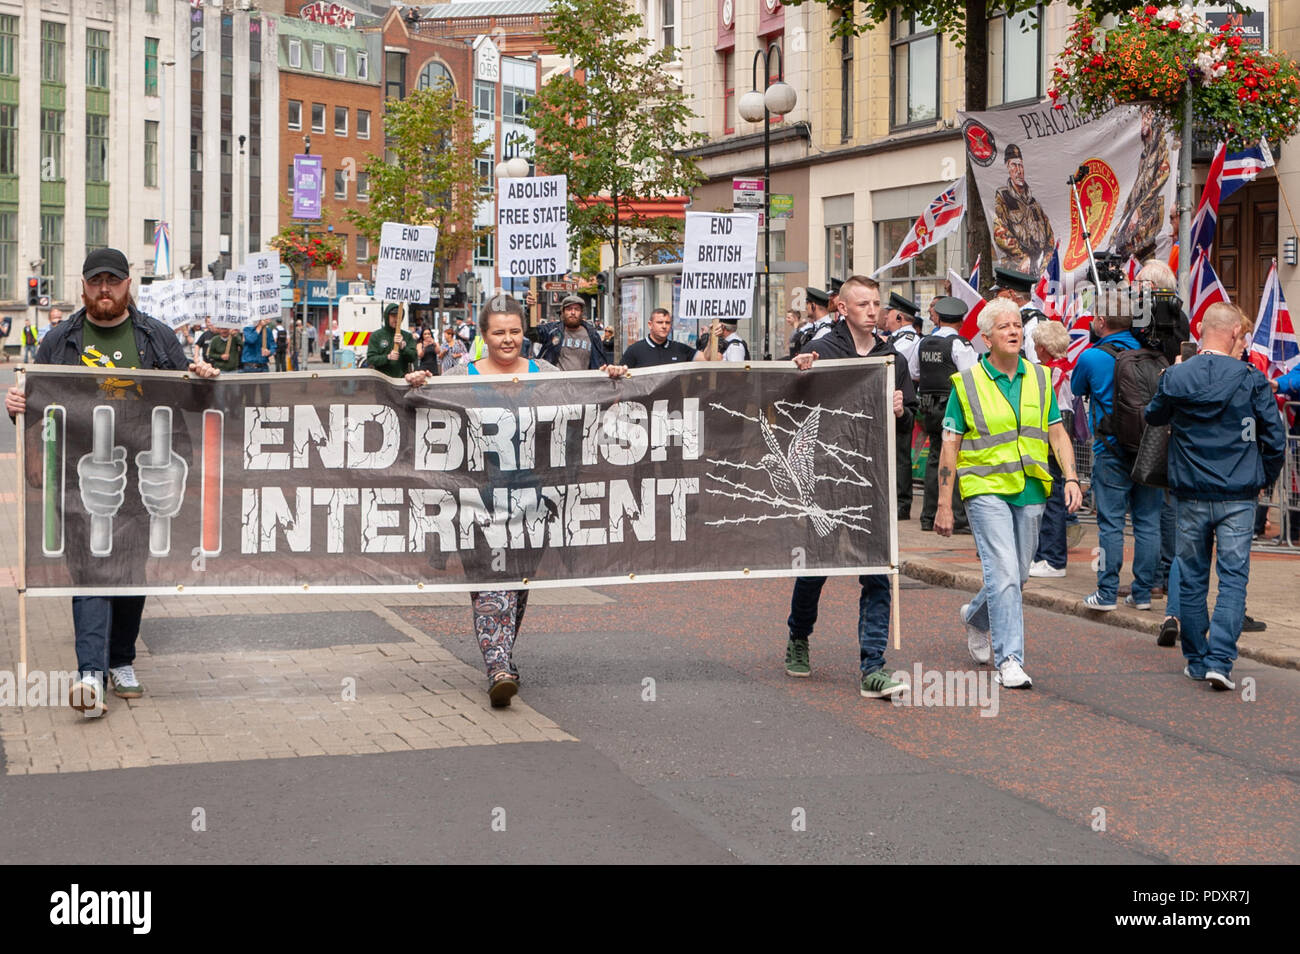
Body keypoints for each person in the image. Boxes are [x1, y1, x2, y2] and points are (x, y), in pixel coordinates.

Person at [4, 248, 220, 715]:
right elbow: (39, 402)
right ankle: (90, 673)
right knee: (91, 570)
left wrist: (204, 382)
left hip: (142, 474)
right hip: (80, 475)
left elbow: (188, 403)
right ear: (83, 286)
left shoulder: (156, 338)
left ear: (128, 286)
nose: (105, 289)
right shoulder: (59, 341)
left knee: (129, 570)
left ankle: (121, 659)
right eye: (96, 280)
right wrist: (17, 410)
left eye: (114, 281)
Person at [404, 296, 627, 707]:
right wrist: (415, 385)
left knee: (518, 586)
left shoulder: (545, 373)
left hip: (532, 501)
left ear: (524, 333)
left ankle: (502, 654)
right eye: (498, 332)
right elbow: (414, 414)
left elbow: (581, 403)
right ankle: (498, 667)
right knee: (492, 584)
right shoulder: (458, 377)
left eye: (514, 331)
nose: (507, 340)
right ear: (483, 335)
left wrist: (609, 379)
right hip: (476, 503)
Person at [934, 297, 1082, 689]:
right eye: (1004, 327)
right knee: (1002, 574)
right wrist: (944, 504)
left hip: (1031, 485)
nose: (1014, 331)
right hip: (984, 488)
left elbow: (1056, 431)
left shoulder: (1038, 377)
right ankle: (1011, 660)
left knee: (1018, 575)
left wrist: (1070, 476)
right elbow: (950, 447)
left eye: (1017, 324)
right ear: (986, 338)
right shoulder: (965, 385)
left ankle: (976, 616)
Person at [784, 274, 916, 699]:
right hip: (828, 479)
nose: (873, 311)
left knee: (877, 573)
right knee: (817, 568)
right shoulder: (822, 351)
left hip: (873, 482)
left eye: (876, 303)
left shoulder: (889, 355)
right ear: (843, 309)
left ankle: (873, 666)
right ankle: (799, 637)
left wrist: (900, 409)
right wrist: (799, 372)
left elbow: (911, 418)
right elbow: (790, 401)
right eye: (863, 304)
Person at [1146, 303, 1284, 690]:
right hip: (1238, 493)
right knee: (1233, 578)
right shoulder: (1250, 379)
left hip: (1190, 491)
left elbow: (1154, 416)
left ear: (1203, 331)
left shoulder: (1176, 376)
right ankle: (1220, 660)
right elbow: (1273, 438)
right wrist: (1262, 479)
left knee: (1191, 577)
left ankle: (1197, 657)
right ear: (1233, 334)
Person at [1072, 306, 1163, 611]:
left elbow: (1076, 388)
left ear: (1100, 322)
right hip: (1149, 450)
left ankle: (1107, 592)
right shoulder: (1149, 353)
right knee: (1148, 523)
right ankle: (1142, 593)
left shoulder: (1091, 356)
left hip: (1110, 451)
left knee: (1110, 524)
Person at [917, 296, 977, 532]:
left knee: (934, 457)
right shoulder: (959, 344)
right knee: (954, 458)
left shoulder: (923, 343)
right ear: (961, 321)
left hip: (928, 407)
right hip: (951, 407)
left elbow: (914, 371)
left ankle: (928, 515)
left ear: (939, 318)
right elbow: (971, 377)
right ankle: (957, 517)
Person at [1027, 319, 1074, 578]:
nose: (1033, 348)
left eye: (1036, 344)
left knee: (1053, 500)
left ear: (1044, 348)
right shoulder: (1060, 369)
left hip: (1050, 445)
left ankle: (1054, 559)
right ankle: (1045, 555)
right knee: (1049, 499)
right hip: (1050, 443)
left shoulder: (1052, 373)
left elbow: (1052, 412)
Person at [882, 292, 921, 520]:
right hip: (898, 398)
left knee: (901, 455)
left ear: (898, 317)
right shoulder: (895, 340)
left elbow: (901, 368)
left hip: (904, 398)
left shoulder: (904, 343)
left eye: (888, 313)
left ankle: (902, 502)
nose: (884, 318)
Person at [993, 143, 1055, 275]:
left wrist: (1044, 268)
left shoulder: (1035, 204)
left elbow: (1050, 241)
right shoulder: (1003, 197)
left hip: (1038, 273)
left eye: (1020, 165)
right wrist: (1023, 257)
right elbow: (1000, 233)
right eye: (1014, 165)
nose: (1018, 170)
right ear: (1008, 168)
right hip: (1016, 272)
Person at [536, 294, 608, 370]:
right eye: (569, 309)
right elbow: (531, 333)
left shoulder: (592, 335)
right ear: (563, 312)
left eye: (577, 309)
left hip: (584, 381)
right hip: (557, 381)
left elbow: (600, 363)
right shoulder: (552, 330)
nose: (573, 312)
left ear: (581, 313)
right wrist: (530, 308)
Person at [991, 266, 1046, 364]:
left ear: (1011, 294)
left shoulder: (1033, 323)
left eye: (997, 293)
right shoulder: (1020, 318)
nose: (995, 298)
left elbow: (1038, 364)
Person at [622, 307, 697, 368]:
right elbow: (621, 377)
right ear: (650, 325)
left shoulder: (680, 348)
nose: (664, 326)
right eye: (660, 322)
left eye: (667, 323)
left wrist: (708, 337)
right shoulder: (634, 350)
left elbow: (706, 358)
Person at [367, 304, 418, 378]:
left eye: (399, 317)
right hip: (382, 380)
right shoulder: (376, 336)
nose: (396, 320)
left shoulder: (407, 336)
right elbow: (371, 359)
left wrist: (404, 348)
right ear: (387, 317)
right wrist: (387, 357)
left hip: (402, 380)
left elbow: (413, 357)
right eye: (393, 316)